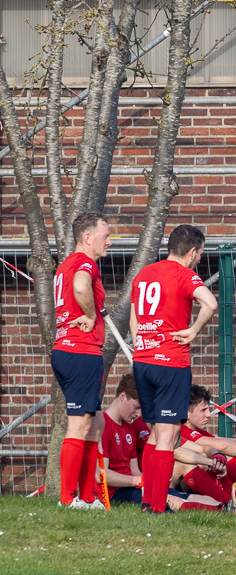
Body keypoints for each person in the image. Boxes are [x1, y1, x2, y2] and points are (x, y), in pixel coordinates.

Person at [131, 224, 218, 513]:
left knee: (155, 435)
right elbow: (210, 303)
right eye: (200, 254)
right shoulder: (184, 275)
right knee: (168, 438)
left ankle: (147, 501)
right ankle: (157, 506)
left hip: (143, 359)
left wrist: (141, 345)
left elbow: (134, 320)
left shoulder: (144, 274)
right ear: (192, 251)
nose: (200, 260)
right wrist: (193, 330)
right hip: (170, 362)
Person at [51, 211, 112, 509]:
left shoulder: (64, 265)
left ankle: (88, 497)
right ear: (88, 238)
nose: (109, 242)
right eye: (105, 236)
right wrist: (90, 314)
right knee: (79, 424)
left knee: (95, 423)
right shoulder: (83, 263)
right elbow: (79, 286)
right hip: (80, 350)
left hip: (66, 349)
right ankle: (68, 498)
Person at [102, 374, 224, 511]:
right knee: (171, 500)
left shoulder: (129, 428)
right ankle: (224, 509)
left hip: (136, 486)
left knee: (196, 497)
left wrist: (146, 483)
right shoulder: (103, 426)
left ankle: (228, 505)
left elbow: (134, 469)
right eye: (137, 407)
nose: (139, 413)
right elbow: (103, 475)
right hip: (116, 493)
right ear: (123, 397)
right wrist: (139, 481)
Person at [175, 385, 236, 505]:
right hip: (171, 485)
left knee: (232, 456)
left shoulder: (197, 431)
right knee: (222, 457)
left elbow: (234, 441)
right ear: (186, 413)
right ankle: (234, 503)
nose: (209, 414)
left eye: (208, 409)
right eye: (203, 410)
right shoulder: (184, 430)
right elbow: (223, 445)